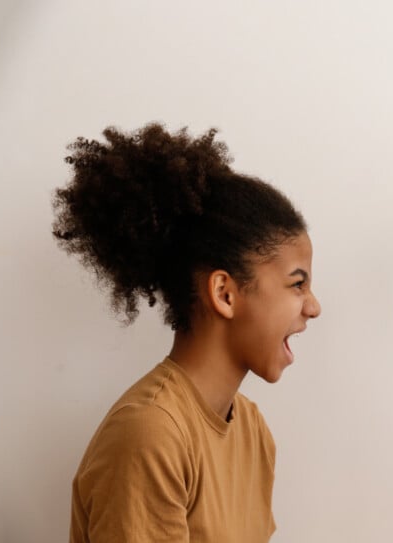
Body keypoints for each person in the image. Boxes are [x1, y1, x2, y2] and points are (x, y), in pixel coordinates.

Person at [52, 123, 321, 542]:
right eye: (296, 284)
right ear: (225, 293)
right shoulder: (150, 434)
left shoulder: (251, 429)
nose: (313, 306)